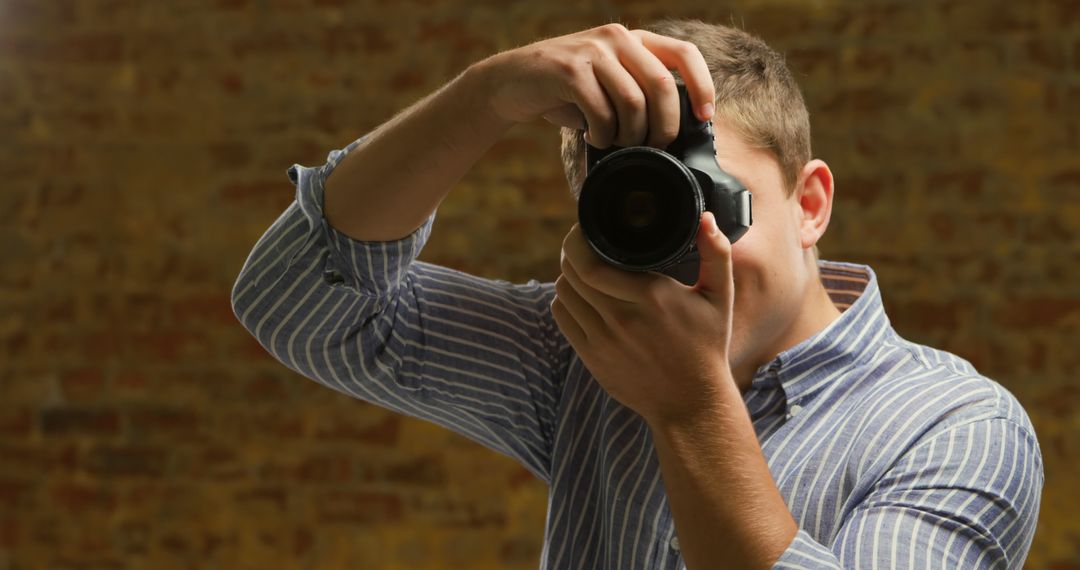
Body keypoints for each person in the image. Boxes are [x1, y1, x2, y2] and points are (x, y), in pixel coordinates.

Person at [231, 18, 1043, 569]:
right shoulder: (583, 354)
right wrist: (482, 97)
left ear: (809, 204)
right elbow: (300, 300)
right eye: (641, 208)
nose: (677, 259)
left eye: (707, 198)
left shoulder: (957, 428)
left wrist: (690, 409)